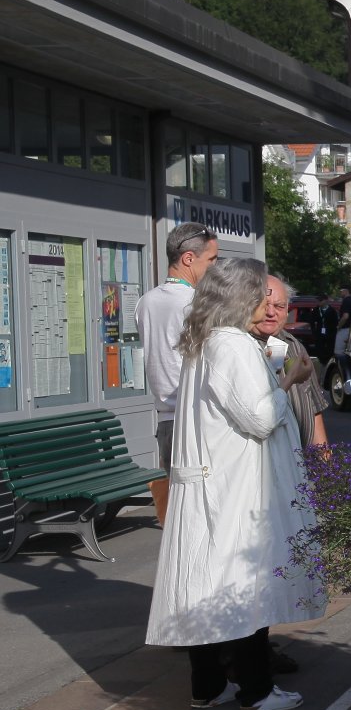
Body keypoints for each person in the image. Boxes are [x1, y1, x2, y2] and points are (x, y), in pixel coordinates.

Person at [145, 257, 321, 710]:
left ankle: (207, 686)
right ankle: (256, 691)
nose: (266, 303)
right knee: (246, 586)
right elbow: (260, 418)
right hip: (238, 486)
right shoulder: (233, 344)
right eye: (260, 294)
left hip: (214, 480)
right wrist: (290, 380)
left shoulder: (204, 339)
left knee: (208, 583)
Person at [134, 222, 219, 524]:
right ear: (188, 258)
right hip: (197, 419)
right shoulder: (196, 304)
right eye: (211, 259)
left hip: (166, 421)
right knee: (206, 516)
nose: (215, 267)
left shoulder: (145, 302)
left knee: (179, 518)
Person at [259, 275, 330, 450]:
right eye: (263, 305)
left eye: (279, 306)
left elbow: (315, 410)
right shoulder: (239, 347)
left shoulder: (295, 346)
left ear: (287, 310)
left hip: (301, 459)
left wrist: (324, 462)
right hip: (264, 462)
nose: (271, 312)